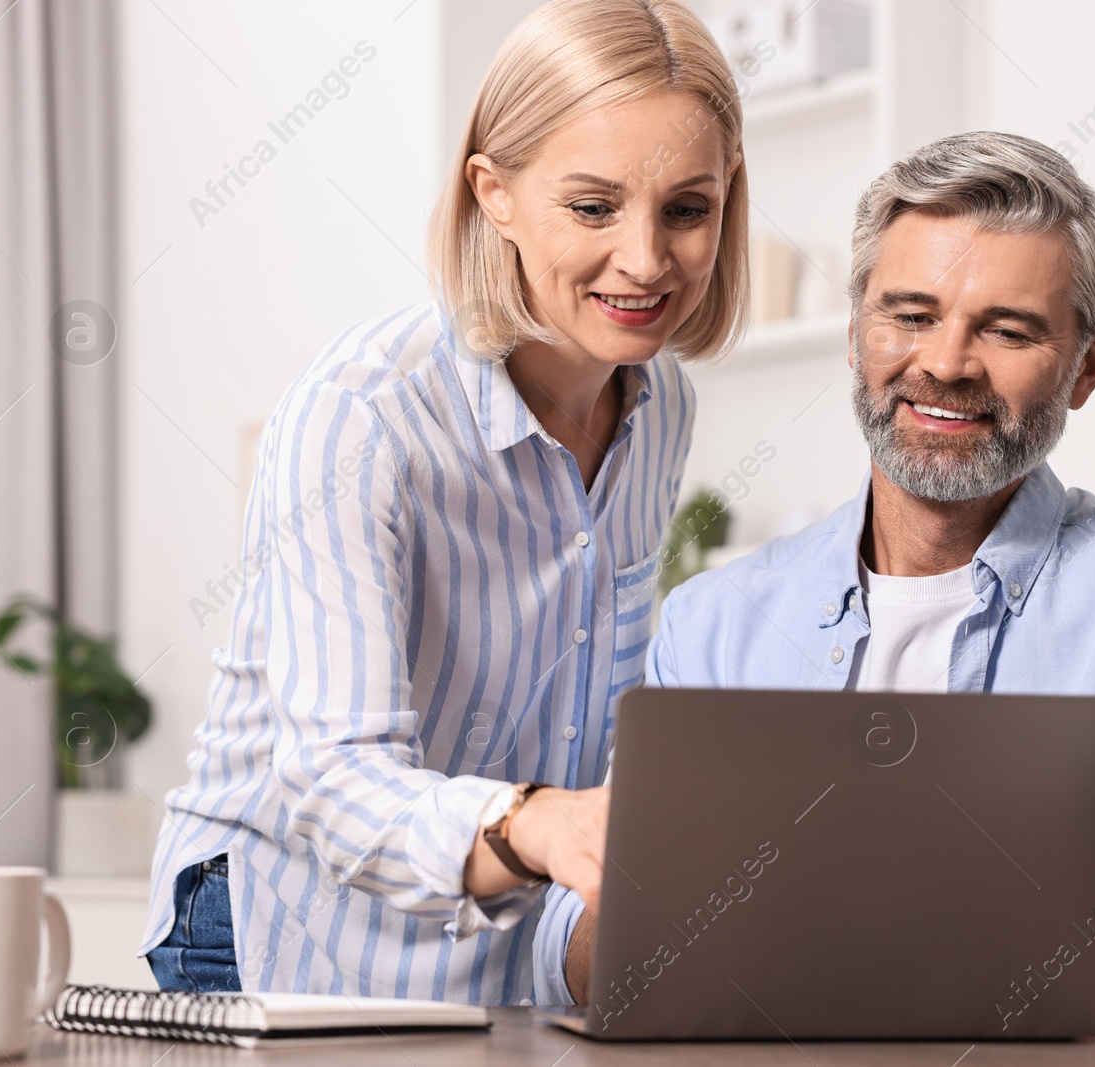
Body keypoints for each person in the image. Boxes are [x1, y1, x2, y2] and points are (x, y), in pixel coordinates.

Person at [533, 131, 1095, 1019]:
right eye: (911, 315)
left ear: (1089, 367)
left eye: (1007, 329)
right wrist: (615, 939)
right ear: (854, 334)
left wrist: (884, 952)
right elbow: (580, 917)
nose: (947, 363)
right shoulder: (717, 620)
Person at [138, 0, 747, 1003]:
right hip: (281, 933)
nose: (645, 260)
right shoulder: (362, 416)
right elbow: (332, 778)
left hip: (488, 952)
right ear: (494, 193)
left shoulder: (658, 403)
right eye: (592, 207)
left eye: (687, 209)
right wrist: (537, 821)